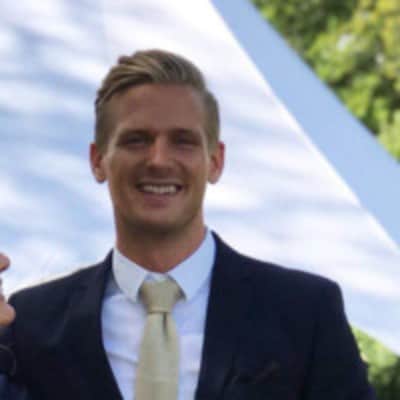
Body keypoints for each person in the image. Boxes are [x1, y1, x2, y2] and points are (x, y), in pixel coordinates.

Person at [0, 49, 376, 399]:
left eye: (183, 141)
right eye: (136, 140)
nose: (159, 160)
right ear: (98, 160)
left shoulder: (305, 313)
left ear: (215, 161)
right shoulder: (32, 320)